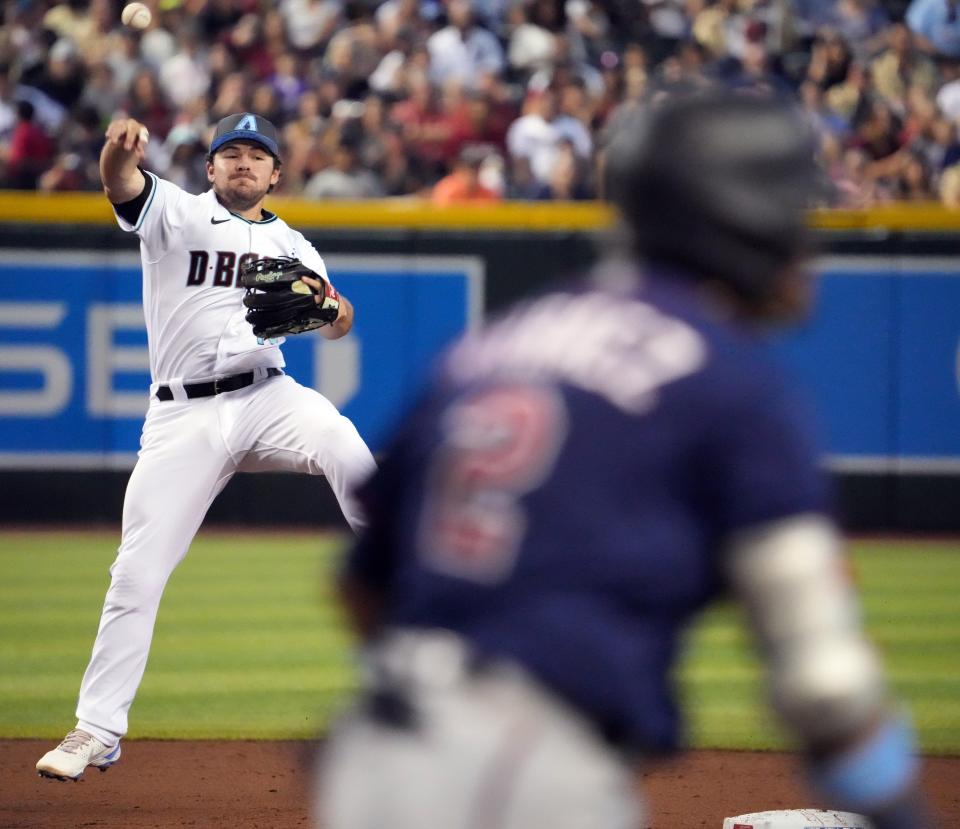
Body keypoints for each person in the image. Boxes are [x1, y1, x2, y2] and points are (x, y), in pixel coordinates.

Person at [315, 91, 935, 829]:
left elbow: (363, 588)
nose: (805, 241)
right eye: (793, 213)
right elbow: (825, 682)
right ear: (737, 218)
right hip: (524, 773)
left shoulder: (501, 338)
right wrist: (902, 811)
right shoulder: (731, 377)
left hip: (372, 755)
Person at [36, 111, 377, 781]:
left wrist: (332, 310)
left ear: (276, 173)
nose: (244, 162)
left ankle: (406, 559)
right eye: (231, 153)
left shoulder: (294, 242)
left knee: (340, 437)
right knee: (136, 571)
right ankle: (96, 729)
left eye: (257, 154)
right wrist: (114, 151)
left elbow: (341, 319)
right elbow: (121, 182)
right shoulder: (176, 215)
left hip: (264, 394)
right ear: (211, 168)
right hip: (181, 417)